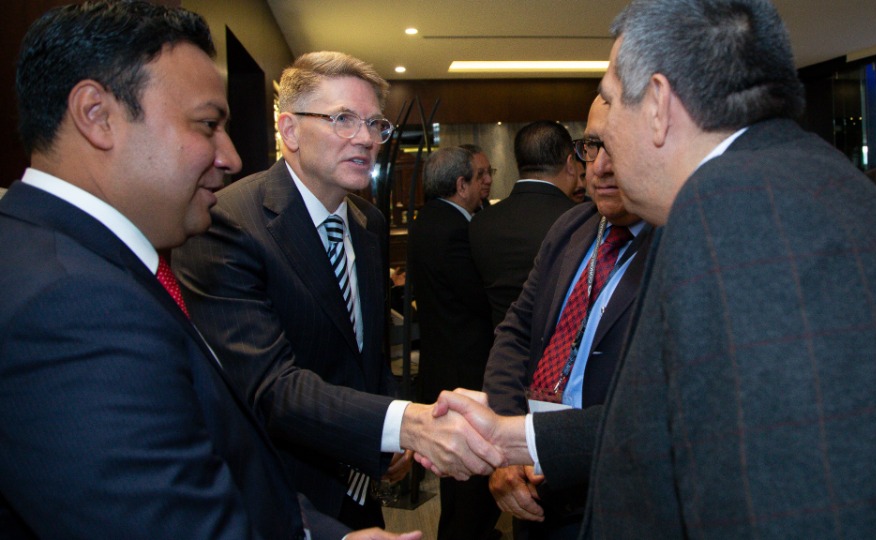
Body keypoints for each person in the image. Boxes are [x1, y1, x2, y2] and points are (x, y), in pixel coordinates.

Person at [436, 0, 876, 537]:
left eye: (612, 105)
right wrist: (514, 439)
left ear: (659, 104)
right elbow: (682, 417)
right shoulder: (785, 183)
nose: (602, 147)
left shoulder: (737, 219)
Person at [0, 2, 422, 538]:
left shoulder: (66, 256)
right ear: (96, 115)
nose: (230, 156)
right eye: (206, 125)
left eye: (373, 124)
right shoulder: (70, 303)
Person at [173, 51, 503, 530]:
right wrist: (400, 422)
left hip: (361, 486)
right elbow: (270, 387)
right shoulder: (228, 222)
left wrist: (386, 437)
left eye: (374, 123)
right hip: (281, 497)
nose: (367, 138)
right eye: (343, 119)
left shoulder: (367, 222)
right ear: (289, 131)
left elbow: (365, 356)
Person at [483, 95, 655, 539]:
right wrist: (508, 443)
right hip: (533, 489)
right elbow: (516, 332)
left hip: (616, 499)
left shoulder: (680, 244)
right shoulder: (571, 227)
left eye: (617, 148)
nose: (598, 167)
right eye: (592, 146)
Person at [407, 146, 501, 540]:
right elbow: (478, 300)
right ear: (460, 185)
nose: (485, 183)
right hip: (464, 368)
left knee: (454, 481)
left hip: (440, 362)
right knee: (470, 484)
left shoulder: (425, 220)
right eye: (478, 177)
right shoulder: (454, 232)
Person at [470, 121, 583, 327]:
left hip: (500, 347)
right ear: (570, 163)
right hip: (560, 349)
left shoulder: (481, 222)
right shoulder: (580, 221)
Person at [460, 143, 494, 211]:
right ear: (462, 183)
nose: (489, 180)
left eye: (490, 172)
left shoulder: (486, 206)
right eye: (480, 173)